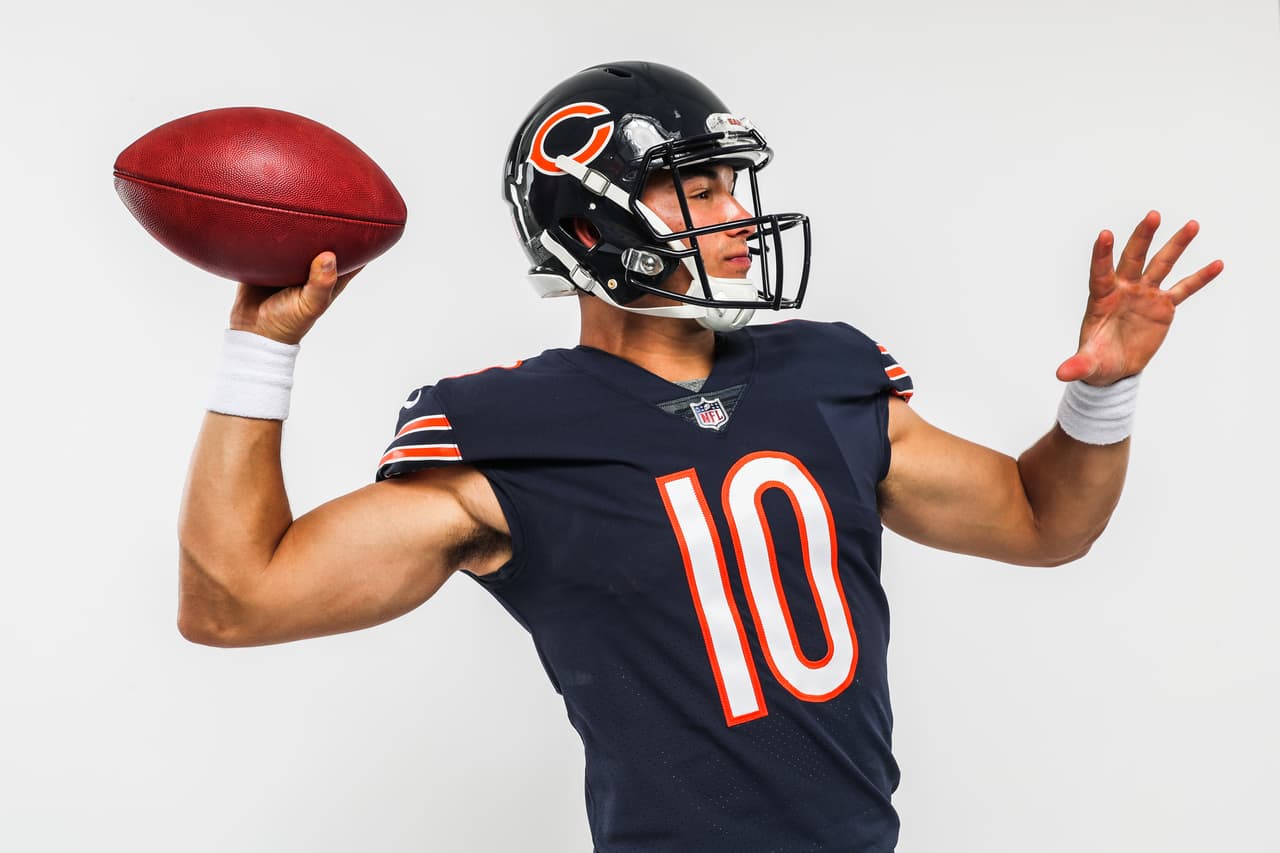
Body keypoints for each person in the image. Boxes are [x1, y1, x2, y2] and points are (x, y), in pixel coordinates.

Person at [177, 61, 1222, 852]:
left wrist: (1101, 392)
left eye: (735, 185)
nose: (738, 217)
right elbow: (234, 601)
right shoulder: (505, 430)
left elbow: (1044, 523)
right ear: (591, 223)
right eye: (699, 189)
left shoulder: (826, 374)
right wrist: (262, 350)